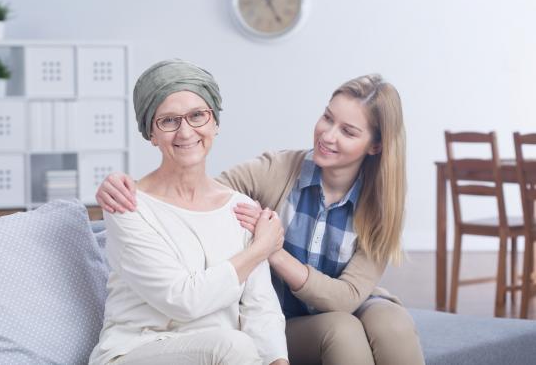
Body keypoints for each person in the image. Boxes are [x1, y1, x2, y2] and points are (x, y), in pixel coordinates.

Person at [96, 73, 426, 365]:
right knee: (342, 331)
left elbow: (347, 297)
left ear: (376, 145)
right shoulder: (277, 170)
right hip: (290, 316)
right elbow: (195, 193)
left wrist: (272, 250)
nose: (328, 135)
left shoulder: (383, 204)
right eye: (327, 118)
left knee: (392, 323)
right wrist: (123, 186)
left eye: (348, 131)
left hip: (340, 303)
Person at [89, 59, 289, 365]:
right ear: (151, 134)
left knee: (238, 346)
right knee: (233, 346)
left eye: (197, 115)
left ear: (215, 123)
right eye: (168, 120)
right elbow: (183, 301)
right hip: (136, 352)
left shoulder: (241, 208)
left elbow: (260, 308)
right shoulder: (128, 205)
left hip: (224, 356)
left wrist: (279, 361)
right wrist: (262, 248)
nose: (185, 132)